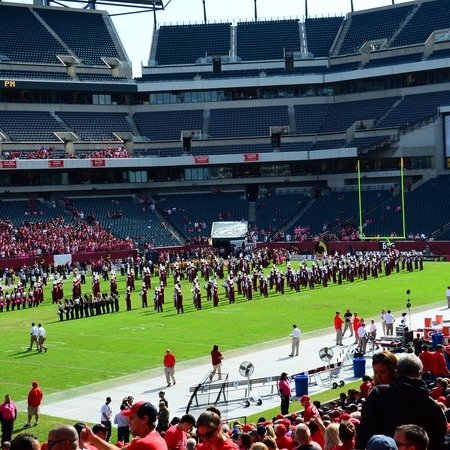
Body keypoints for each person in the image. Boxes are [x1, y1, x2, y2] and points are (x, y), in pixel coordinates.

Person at [356, 354, 447, 450]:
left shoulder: (379, 393)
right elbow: (439, 441)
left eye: (382, 372)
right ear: (420, 373)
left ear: (396, 372)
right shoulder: (433, 406)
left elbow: (364, 431)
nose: (378, 376)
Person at [82, 401, 167, 450]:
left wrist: (92, 438)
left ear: (144, 419)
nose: (129, 422)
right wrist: (93, 438)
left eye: (132, 418)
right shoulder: (159, 439)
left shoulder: (143, 443)